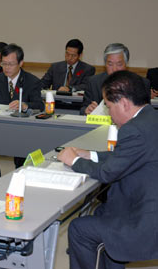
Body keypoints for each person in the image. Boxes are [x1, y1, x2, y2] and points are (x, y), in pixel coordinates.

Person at [58, 70, 158, 269]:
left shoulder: (134, 129)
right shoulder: (149, 117)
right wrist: (91, 155)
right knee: (100, 212)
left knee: (79, 229)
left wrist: (74, 160)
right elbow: (127, 157)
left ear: (124, 103)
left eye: (109, 107)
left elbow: (107, 173)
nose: (109, 114)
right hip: (141, 202)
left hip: (145, 220)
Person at [0, 44, 44, 174]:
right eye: (4, 63)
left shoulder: (32, 81)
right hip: (0, 127)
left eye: (10, 64)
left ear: (21, 63)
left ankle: (19, 176)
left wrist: (25, 105)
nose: (6, 68)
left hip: (22, 130)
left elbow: (40, 106)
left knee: (22, 150)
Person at [80, 43, 149, 115]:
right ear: (105, 64)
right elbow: (82, 109)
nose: (114, 69)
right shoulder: (93, 82)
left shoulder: (141, 84)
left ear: (126, 64)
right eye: (110, 64)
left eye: (119, 64)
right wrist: (87, 110)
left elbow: (146, 113)